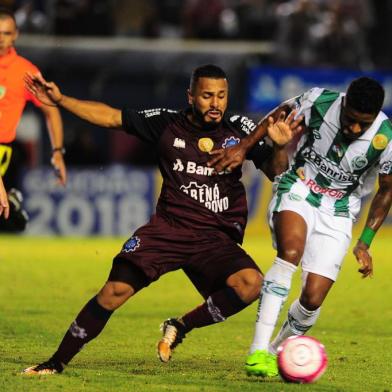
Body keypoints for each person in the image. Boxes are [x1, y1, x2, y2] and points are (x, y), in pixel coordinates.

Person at [22, 64, 302, 374]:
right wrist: (62, 100)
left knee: (250, 284)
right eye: (207, 96)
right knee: (113, 292)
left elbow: (278, 172)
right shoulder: (167, 124)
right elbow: (112, 117)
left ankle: (181, 326)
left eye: (222, 96)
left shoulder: (239, 128)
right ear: (191, 96)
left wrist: (278, 146)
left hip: (214, 238)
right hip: (168, 229)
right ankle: (56, 362)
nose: (215, 104)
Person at [208, 76, 392, 377]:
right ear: (344, 103)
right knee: (290, 253)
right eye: (351, 120)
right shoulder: (319, 100)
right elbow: (276, 115)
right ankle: (257, 352)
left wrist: (365, 241)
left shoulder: (387, 139)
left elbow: (386, 191)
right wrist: (243, 147)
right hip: (299, 186)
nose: (355, 129)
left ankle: (276, 352)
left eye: (364, 124)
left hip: (339, 211)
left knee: (313, 298)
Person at [0, 8, 66, 232]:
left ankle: (9, 202)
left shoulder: (25, 72)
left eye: (6, 33)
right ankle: (10, 201)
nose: (1, 39)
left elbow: (51, 110)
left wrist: (57, 151)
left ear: (15, 35)